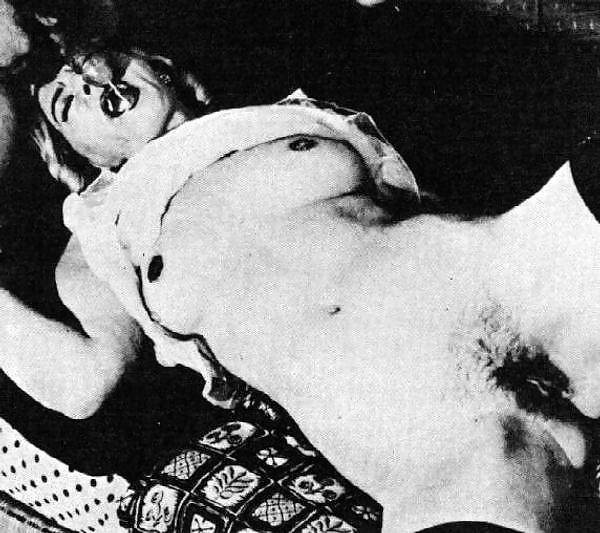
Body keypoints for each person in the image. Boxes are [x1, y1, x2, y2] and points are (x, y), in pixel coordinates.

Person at [11, 49, 599, 531]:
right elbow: (80, 383)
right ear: (76, 158)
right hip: (435, 446)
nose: (89, 84)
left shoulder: (286, 110)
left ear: (163, 69)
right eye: (66, 104)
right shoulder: (103, 229)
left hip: (524, 286)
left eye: (101, 63)